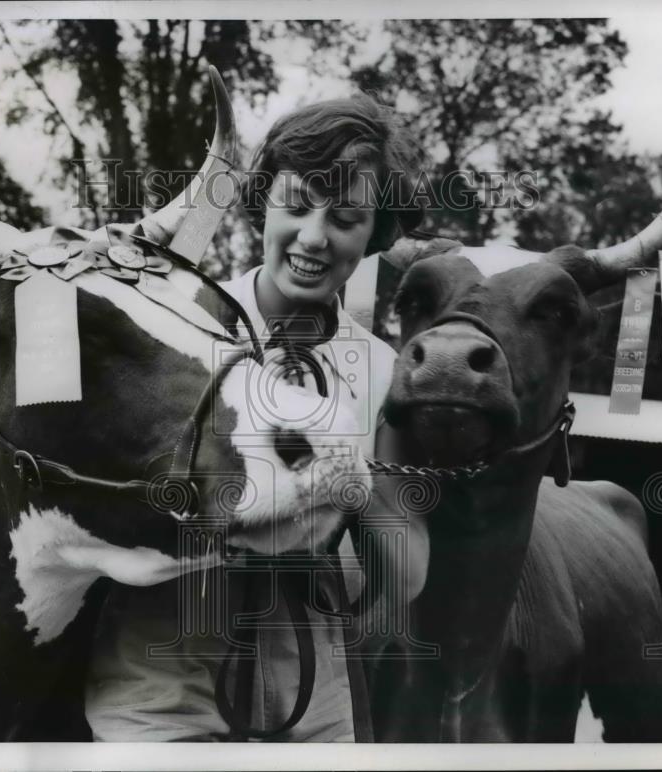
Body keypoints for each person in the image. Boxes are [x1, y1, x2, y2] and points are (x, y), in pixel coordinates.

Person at [85, 94, 428, 742]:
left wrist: (362, 501)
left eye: (347, 218)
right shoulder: (170, 325)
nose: (314, 237)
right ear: (263, 199)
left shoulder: (382, 371)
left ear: (376, 232)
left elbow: (405, 569)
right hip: (163, 662)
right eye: (296, 205)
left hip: (310, 686)